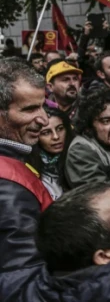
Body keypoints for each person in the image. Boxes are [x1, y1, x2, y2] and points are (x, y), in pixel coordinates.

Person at [0, 58, 52, 273]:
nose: (45, 119)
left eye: (43, 106)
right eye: (30, 109)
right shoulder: (8, 186)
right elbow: (23, 280)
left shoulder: (17, 158)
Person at [29, 108, 74, 200]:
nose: (56, 136)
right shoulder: (29, 166)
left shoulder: (78, 158)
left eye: (60, 129)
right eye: (46, 133)